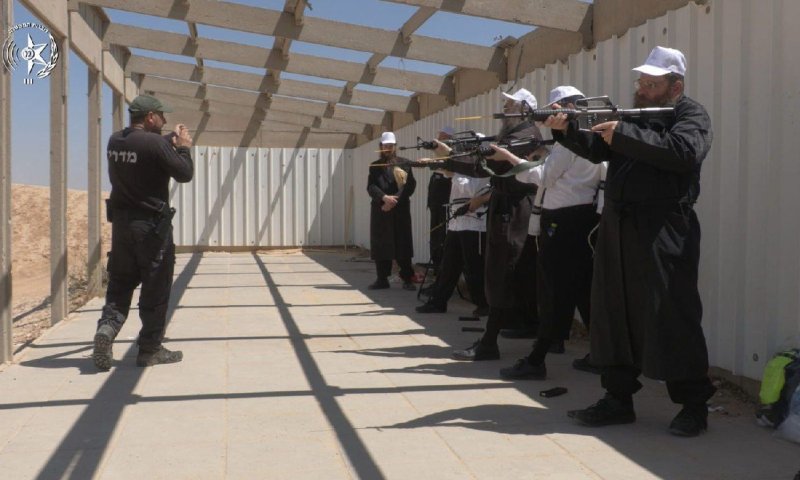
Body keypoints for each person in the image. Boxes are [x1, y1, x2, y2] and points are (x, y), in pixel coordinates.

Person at [544, 46, 715, 436]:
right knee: (612, 313)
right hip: (618, 225)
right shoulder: (629, 117)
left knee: (671, 314)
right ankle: (617, 398)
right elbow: (598, 149)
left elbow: (684, 152)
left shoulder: (691, 114)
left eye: (652, 84)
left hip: (664, 228)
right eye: (642, 81)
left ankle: (693, 404)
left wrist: (624, 133)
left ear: (675, 87)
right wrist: (566, 132)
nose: (643, 88)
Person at [489, 86, 603, 380]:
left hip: (562, 222)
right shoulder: (589, 135)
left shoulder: (569, 142)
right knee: (580, 289)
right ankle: (601, 354)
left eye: (555, 107)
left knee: (554, 289)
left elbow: (544, 177)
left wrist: (511, 160)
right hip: (583, 219)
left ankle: (538, 358)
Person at [436, 88, 543, 361]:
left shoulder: (527, 134)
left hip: (515, 208)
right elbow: (480, 165)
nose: (505, 109)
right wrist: (450, 156)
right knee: (504, 271)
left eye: (510, 105)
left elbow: (495, 159)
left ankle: (491, 341)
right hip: (503, 205)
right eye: (505, 104)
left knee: (505, 269)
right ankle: (517, 332)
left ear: (525, 109)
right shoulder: (510, 135)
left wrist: (473, 154)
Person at [92, 94, 194, 370]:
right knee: (155, 287)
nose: (164, 120)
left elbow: (145, 150)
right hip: (151, 229)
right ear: (150, 117)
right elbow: (184, 173)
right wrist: (183, 148)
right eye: (161, 116)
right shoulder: (154, 144)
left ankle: (107, 329)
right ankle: (150, 349)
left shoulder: (116, 141)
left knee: (120, 282)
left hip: (122, 226)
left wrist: (165, 141)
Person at [415, 164, 490, 316]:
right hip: (456, 223)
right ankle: (438, 302)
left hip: (474, 223)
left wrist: (455, 173)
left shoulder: (482, 169)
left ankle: (483, 304)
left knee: (473, 267)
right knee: (448, 265)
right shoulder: (461, 169)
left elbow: (471, 189)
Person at [367, 131, 417, 291]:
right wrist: (383, 198)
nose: (388, 148)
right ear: (380, 147)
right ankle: (382, 279)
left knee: (402, 244)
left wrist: (393, 200)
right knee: (381, 245)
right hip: (381, 210)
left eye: (390, 145)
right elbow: (371, 187)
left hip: (399, 210)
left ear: (395, 146)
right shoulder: (374, 166)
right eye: (385, 145)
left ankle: (408, 278)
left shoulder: (405, 164)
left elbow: (409, 186)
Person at [426, 126, 455, 275]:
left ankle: (442, 267)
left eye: (444, 137)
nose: (440, 139)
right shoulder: (438, 151)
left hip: (443, 196)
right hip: (435, 199)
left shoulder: (451, 154)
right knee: (434, 232)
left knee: (442, 232)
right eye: (440, 136)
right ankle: (436, 265)